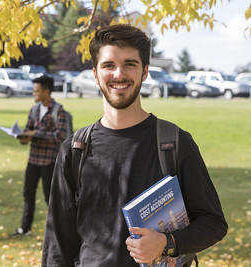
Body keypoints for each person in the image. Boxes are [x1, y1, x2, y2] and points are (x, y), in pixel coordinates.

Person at [42, 24, 228, 266]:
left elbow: (213, 223)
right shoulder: (75, 150)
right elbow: (57, 244)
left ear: (145, 71)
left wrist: (166, 242)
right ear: (96, 74)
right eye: (109, 65)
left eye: (130, 64)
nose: (119, 74)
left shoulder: (175, 143)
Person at [11, 75, 68, 236]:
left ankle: (56, 231)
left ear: (47, 91)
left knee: (50, 198)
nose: (34, 94)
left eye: (37, 91)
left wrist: (37, 133)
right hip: (33, 160)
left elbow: (60, 136)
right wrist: (23, 138)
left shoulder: (58, 110)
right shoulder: (34, 109)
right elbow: (28, 129)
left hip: (49, 161)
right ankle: (25, 228)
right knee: (28, 194)